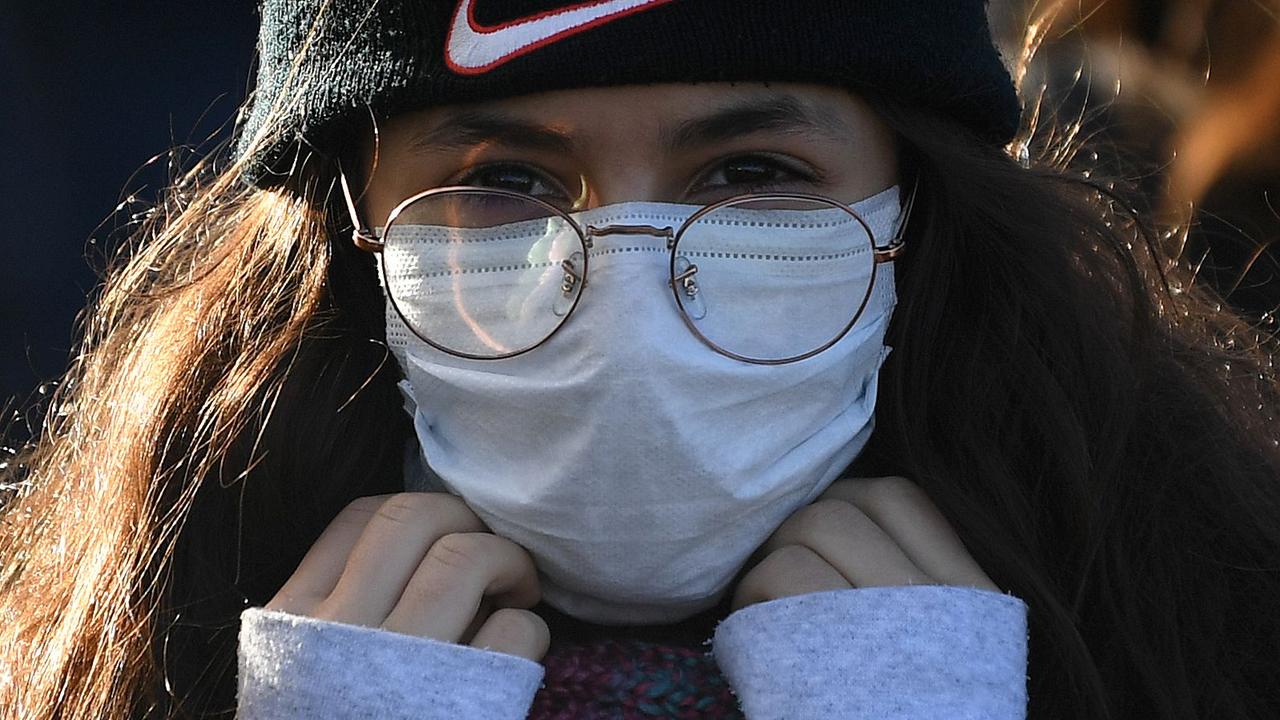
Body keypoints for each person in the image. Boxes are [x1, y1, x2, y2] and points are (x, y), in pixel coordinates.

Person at [2, 2, 1278, 718]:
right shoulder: (115, 654)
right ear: (343, 247)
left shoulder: (1210, 626)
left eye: (750, 173)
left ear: (922, 223)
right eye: (500, 181)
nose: (622, 288)